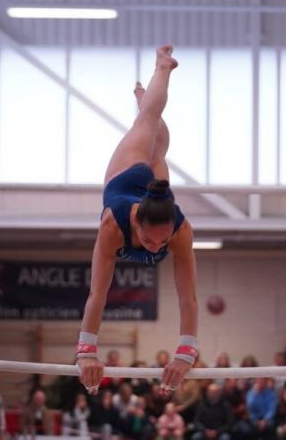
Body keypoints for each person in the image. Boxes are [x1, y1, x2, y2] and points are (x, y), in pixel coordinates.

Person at [77, 45, 199, 396]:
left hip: (155, 191)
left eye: (163, 243)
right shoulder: (112, 226)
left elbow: (188, 298)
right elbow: (97, 293)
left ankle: (144, 98)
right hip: (126, 173)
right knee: (148, 123)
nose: (157, 248)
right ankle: (162, 67)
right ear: (137, 223)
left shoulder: (180, 230)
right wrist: (87, 351)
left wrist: (185, 353)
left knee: (161, 141)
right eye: (149, 241)